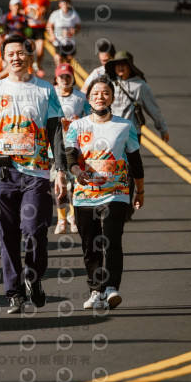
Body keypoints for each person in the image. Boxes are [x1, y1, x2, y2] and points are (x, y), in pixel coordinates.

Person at [0, 34, 67, 314]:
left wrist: (60, 170)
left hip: (36, 172)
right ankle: (13, 292)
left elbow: (55, 132)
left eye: (21, 52)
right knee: (7, 234)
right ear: (3, 58)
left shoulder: (45, 90)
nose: (16, 57)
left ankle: (33, 277)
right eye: (10, 53)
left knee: (35, 230)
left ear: (30, 56)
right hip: (1, 173)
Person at [64, 75, 144, 310]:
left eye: (105, 93)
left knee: (112, 241)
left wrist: (140, 191)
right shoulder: (77, 126)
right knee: (90, 244)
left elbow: (135, 161)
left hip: (116, 192)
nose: (100, 97)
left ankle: (111, 288)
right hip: (84, 194)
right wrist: (76, 170)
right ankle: (95, 290)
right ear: (89, 99)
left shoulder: (124, 126)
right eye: (96, 94)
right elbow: (69, 153)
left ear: (112, 98)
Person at [105, 51, 168, 220]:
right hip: (111, 134)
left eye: (124, 64)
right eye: (117, 64)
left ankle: (125, 208)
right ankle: (111, 203)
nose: (120, 67)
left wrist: (162, 128)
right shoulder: (109, 84)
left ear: (130, 67)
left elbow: (153, 108)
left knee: (129, 171)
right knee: (111, 170)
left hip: (131, 135)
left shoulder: (140, 86)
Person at [52, 63, 91, 235]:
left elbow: (90, 119)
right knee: (60, 183)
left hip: (75, 146)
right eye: (62, 77)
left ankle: (73, 217)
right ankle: (61, 219)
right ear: (56, 78)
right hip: (55, 146)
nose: (65, 79)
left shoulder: (80, 97)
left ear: (73, 77)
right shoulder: (51, 95)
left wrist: (78, 122)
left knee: (75, 183)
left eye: (68, 76)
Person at [21, 0, 50, 78]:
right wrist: (25, 12)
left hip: (39, 26)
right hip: (29, 26)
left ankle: (38, 64)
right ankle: (30, 68)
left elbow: (48, 10)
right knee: (30, 48)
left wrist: (44, 11)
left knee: (40, 49)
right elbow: (19, 10)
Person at [46, 0, 81, 66]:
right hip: (58, 41)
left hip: (70, 42)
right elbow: (49, 26)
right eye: (62, 2)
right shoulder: (55, 14)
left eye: (67, 2)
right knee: (58, 58)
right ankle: (58, 71)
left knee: (68, 60)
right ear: (59, 4)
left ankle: (66, 71)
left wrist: (74, 31)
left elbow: (79, 27)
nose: (65, 4)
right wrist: (52, 35)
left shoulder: (74, 14)